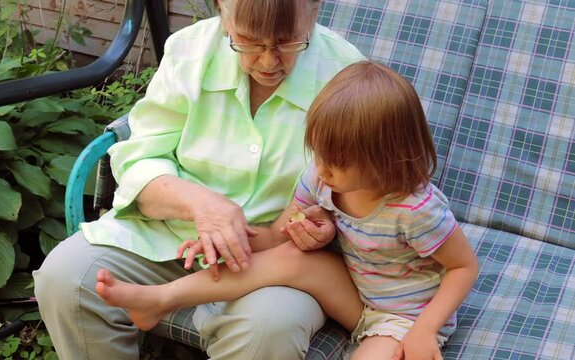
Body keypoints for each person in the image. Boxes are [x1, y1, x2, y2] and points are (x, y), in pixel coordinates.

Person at [33, 0, 365, 358]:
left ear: (314, 13)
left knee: (269, 328)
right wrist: (199, 204)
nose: (269, 61)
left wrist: (328, 224)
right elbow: (140, 157)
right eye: (249, 42)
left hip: (275, 260)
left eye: (287, 43)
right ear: (223, 11)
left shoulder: (347, 75)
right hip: (169, 235)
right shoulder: (188, 50)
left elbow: (364, 186)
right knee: (66, 279)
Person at [94, 61, 480, 360]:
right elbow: (279, 234)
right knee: (291, 255)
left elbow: (464, 267)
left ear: (384, 157)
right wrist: (225, 240)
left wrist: (425, 329)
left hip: (404, 315)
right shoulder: (323, 177)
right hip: (353, 290)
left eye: (338, 160)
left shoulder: (414, 209)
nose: (323, 168)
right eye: (319, 153)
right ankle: (161, 299)